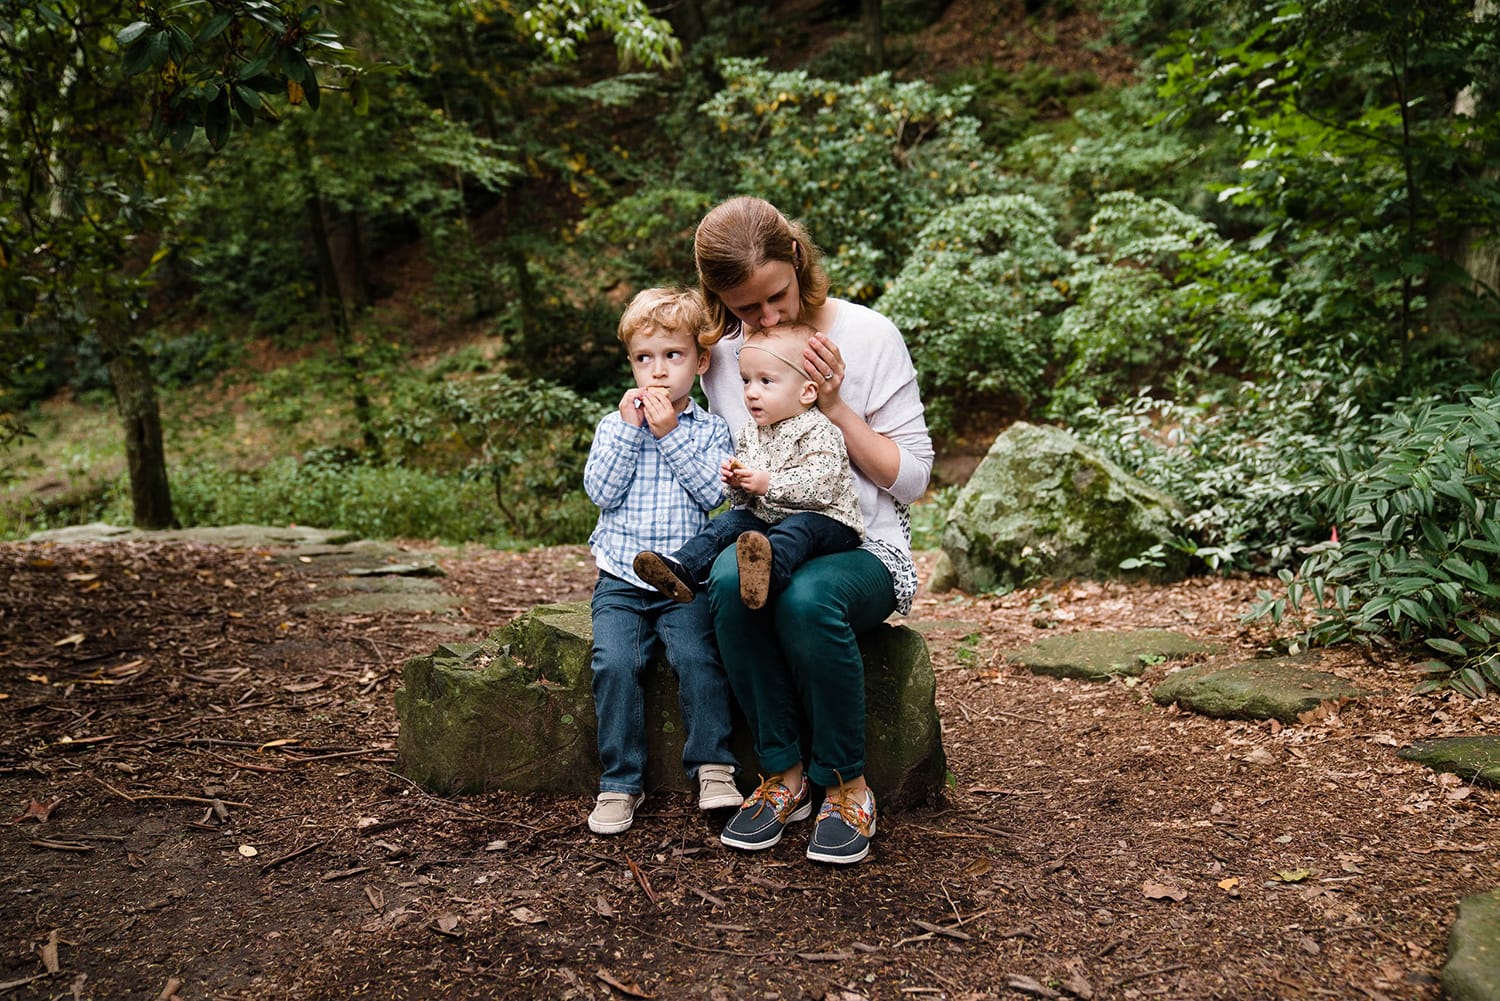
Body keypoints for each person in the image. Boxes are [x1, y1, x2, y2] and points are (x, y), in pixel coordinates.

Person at [692, 196, 934, 865]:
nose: (766, 319)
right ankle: (782, 773)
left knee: (806, 599)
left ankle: (846, 783)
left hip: (863, 543)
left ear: (797, 258)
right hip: (770, 529)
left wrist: (834, 404)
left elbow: (912, 478)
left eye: (776, 296)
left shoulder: (868, 334)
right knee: (728, 578)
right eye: (745, 309)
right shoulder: (723, 357)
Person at [580, 287, 743, 835]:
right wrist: (632, 432)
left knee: (698, 658)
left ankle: (714, 768)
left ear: (700, 362)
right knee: (614, 663)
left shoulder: (711, 430)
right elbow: (600, 491)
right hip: (622, 577)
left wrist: (668, 432)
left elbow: (711, 496)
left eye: (672, 356)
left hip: (683, 580)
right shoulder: (613, 426)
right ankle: (620, 782)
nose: (657, 372)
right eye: (643, 358)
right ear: (630, 364)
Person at [632, 320, 863, 612]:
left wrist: (767, 483)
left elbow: (822, 485)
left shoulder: (818, 429)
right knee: (727, 524)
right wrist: (737, 484)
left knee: (797, 529)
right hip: (771, 518)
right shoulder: (749, 433)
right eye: (746, 380)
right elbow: (745, 499)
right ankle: (682, 569)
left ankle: (768, 578)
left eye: (765, 381)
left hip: (829, 521)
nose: (752, 392)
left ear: (807, 392)